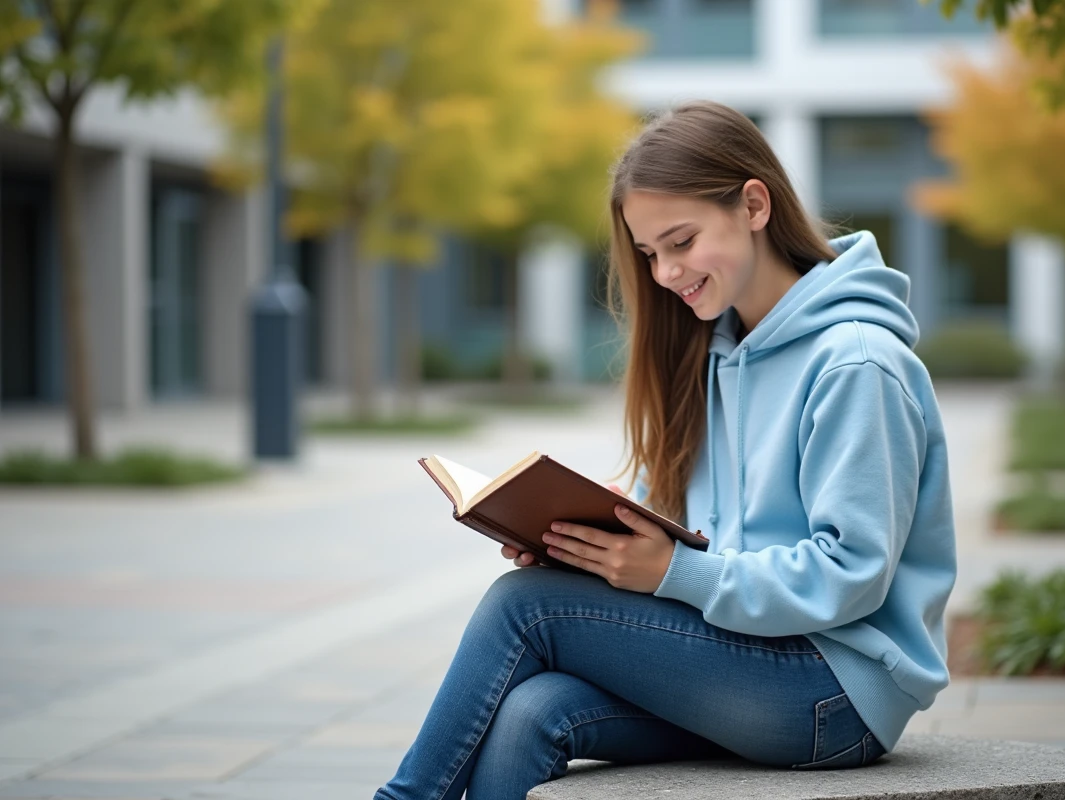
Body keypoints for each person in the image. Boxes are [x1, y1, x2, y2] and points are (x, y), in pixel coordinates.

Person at [372, 99, 957, 800]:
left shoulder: (856, 362)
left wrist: (674, 573)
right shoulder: (719, 351)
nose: (665, 273)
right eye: (650, 254)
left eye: (680, 242)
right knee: (533, 711)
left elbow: (850, 574)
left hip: (834, 690)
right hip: (744, 657)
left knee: (524, 607)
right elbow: (699, 527)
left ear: (754, 205)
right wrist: (585, 548)